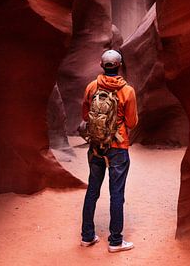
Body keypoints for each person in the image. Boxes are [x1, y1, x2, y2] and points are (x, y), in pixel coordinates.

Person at [80, 49, 138, 253]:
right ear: (120, 65)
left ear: (101, 65)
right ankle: (115, 241)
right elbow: (131, 122)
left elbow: (86, 116)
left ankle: (87, 237)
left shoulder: (91, 86)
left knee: (92, 190)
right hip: (118, 148)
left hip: (96, 146)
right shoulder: (127, 91)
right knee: (116, 194)